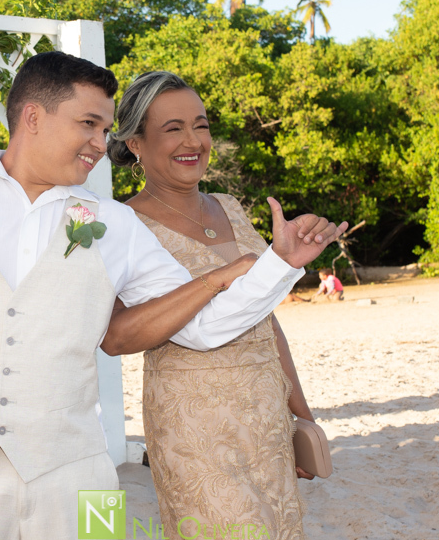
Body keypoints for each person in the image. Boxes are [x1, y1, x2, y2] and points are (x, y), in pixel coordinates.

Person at [0, 52, 346, 540]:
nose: (103, 145)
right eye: (90, 125)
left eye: (106, 130)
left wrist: (277, 266)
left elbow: (200, 328)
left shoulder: (113, 225)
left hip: (84, 477)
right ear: (33, 116)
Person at [107, 71, 323, 540]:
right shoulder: (122, 224)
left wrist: (300, 414)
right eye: (173, 128)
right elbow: (117, 335)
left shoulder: (229, 206)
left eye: (200, 125)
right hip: (196, 428)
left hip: (265, 416)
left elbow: (265, 317)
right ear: (135, 144)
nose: (193, 140)